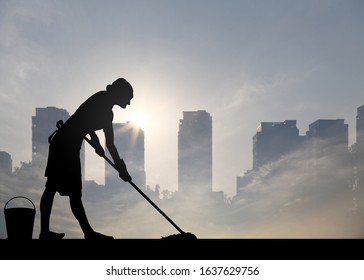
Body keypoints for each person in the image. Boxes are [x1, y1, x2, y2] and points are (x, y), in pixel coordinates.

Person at [39, 78, 133, 240]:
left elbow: (109, 143)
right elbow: (85, 121)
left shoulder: (108, 112)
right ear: (120, 93)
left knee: (72, 192)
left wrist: (120, 168)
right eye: (129, 98)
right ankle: (49, 233)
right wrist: (97, 144)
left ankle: (86, 233)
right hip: (64, 144)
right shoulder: (101, 99)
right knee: (54, 187)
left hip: (71, 146)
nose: (129, 103)